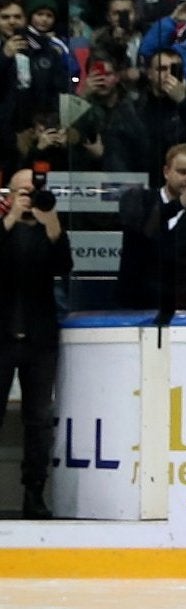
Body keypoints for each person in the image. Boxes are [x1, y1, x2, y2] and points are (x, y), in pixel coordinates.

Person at [0, 166, 68, 517]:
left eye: (33, 190)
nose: (29, 196)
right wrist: (12, 216)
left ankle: (34, 493)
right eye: (22, 191)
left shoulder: (47, 227)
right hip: (2, 337)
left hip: (40, 339)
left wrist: (50, 218)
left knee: (39, 419)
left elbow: (64, 264)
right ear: (9, 193)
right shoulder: (5, 226)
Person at [117, 143, 186, 311]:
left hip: (180, 306)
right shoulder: (139, 199)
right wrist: (180, 204)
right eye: (182, 172)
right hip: (136, 303)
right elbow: (146, 232)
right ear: (166, 172)